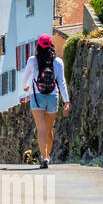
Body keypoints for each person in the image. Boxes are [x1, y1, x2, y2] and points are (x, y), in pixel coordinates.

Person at [20, 34, 70, 169]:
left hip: (37, 97)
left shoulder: (32, 61)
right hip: (53, 97)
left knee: (41, 129)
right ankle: (48, 155)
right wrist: (66, 101)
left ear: (38, 46)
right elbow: (62, 82)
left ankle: (43, 158)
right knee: (49, 130)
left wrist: (26, 86)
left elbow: (25, 78)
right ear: (51, 45)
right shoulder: (58, 62)